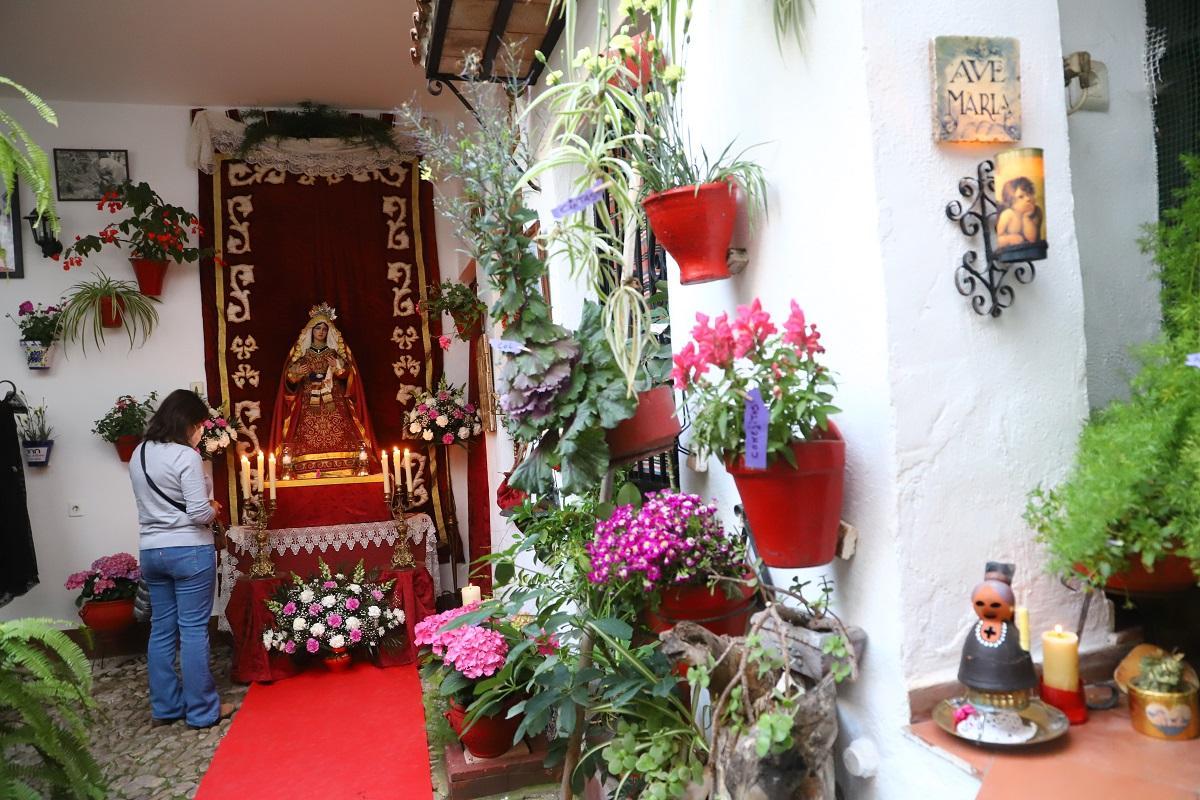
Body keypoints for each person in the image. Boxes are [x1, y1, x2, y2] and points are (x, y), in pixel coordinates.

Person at [130, 389, 234, 729]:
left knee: (161, 629)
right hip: (188, 550)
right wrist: (214, 508)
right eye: (200, 425)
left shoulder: (139, 453)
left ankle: (165, 707)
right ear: (187, 422)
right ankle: (203, 710)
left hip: (151, 551)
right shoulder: (185, 456)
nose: (202, 432)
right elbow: (198, 513)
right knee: (192, 630)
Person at [269, 302, 379, 478]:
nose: (321, 332)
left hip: (333, 400)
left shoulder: (334, 353)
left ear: (329, 332)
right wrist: (296, 373)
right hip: (308, 402)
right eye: (318, 328)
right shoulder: (302, 354)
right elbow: (289, 379)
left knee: (344, 434)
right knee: (302, 439)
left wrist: (338, 368)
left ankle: (350, 465)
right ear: (311, 330)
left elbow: (348, 375)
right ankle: (302, 467)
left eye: (324, 329)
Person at [995, 176, 1044, 250]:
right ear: (1010, 201)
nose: (1028, 199)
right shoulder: (1008, 214)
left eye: (1029, 194)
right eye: (1021, 197)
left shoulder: (1035, 212)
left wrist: (1026, 218)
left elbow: (1032, 240)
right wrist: (1009, 239)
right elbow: (998, 238)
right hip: (1010, 252)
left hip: (1030, 251)